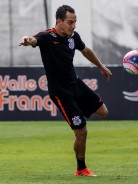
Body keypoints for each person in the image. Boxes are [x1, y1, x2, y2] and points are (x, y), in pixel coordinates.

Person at [19, 5, 112, 177]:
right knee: (82, 131)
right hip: (60, 93)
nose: (74, 26)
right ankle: (81, 169)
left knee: (103, 112)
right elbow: (33, 40)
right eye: (70, 22)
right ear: (59, 21)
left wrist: (102, 67)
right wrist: (26, 39)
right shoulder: (47, 37)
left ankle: (78, 132)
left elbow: (86, 51)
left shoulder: (73, 37)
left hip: (75, 85)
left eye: (75, 22)